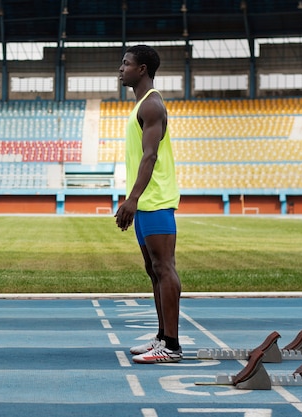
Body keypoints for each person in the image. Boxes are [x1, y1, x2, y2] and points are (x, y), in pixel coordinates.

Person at [114, 45, 182, 364]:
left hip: (155, 201)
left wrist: (133, 199)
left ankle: (171, 344)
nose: (121, 68)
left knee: (164, 268)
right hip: (145, 204)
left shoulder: (152, 104)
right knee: (153, 270)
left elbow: (150, 156)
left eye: (126, 64)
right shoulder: (142, 105)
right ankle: (161, 337)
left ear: (142, 69)